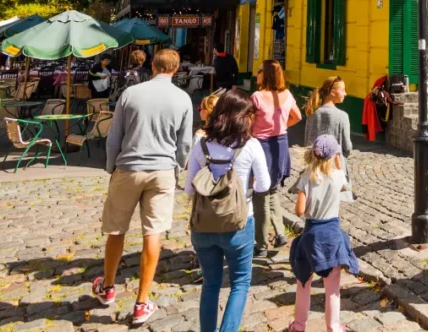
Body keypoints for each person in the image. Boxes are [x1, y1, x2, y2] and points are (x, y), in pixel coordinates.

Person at [94, 49, 193, 325]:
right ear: (176, 69)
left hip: (129, 166)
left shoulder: (131, 94)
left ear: (153, 66)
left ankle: (108, 286)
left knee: (116, 230)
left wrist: (111, 166)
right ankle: (141, 301)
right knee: (153, 233)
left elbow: (115, 136)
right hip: (162, 170)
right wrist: (178, 167)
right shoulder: (183, 98)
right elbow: (184, 144)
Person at [185, 88, 269, 332]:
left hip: (203, 225)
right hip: (238, 224)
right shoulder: (251, 146)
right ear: (243, 116)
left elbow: (189, 189)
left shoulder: (201, 145)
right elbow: (264, 185)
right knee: (240, 283)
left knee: (210, 284)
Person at [288, 134, 360, 332]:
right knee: (332, 288)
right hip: (332, 236)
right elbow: (345, 186)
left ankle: (299, 325)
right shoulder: (338, 176)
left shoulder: (307, 177)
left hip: (311, 235)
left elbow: (300, 211)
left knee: (303, 282)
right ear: (334, 155)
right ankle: (333, 327)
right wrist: (338, 162)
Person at [252, 60, 301, 255]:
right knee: (271, 191)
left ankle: (261, 244)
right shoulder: (287, 94)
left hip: (261, 146)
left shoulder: (257, 96)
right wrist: (281, 126)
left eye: (259, 71)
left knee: (260, 195)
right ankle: (280, 233)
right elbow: (297, 116)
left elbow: (248, 121)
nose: (257, 74)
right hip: (280, 144)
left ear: (267, 74)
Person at [303, 76, 353, 202]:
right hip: (335, 165)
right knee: (333, 201)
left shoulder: (312, 114)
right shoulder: (342, 116)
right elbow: (347, 147)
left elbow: (307, 141)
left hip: (315, 164)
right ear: (332, 92)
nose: (345, 93)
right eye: (343, 90)